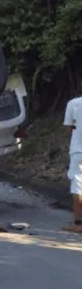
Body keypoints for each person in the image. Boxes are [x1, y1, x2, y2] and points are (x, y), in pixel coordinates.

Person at [64, 95, 82, 232]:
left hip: (79, 151)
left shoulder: (74, 103)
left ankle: (78, 223)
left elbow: (68, 129)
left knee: (78, 187)